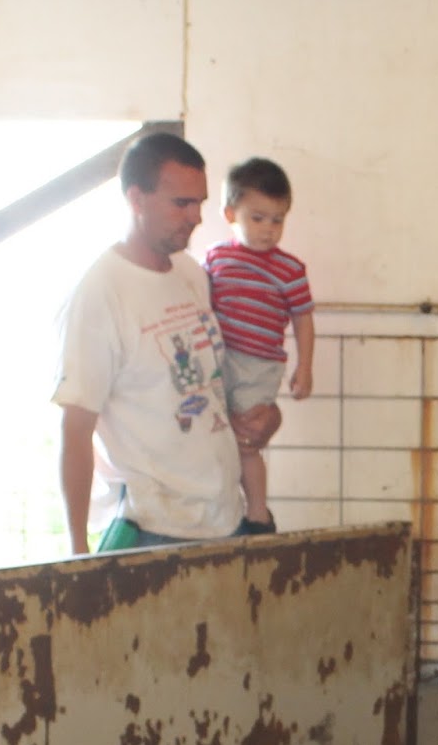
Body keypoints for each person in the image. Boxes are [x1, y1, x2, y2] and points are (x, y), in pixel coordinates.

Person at [53, 130, 279, 554]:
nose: (195, 216)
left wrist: (266, 418)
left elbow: (210, 388)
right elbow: (75, 431)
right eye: (182, 203)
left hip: (224, 516)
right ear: (136, 199)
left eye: (200, 201)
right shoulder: (100, 293)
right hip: (153, 530)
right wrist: (77, 555)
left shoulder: (191, 274)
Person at [203, 156, 315, 533]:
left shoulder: (289, 269)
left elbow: (302, 318)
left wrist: (304, 366)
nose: (269, 230)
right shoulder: (216, 258)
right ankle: (222, 508)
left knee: (248, 439)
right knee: (217, 432)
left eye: (278, 219)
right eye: (258, 217)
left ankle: (257, 514)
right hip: (218, 359)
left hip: (258, 364)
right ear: (230, 213)